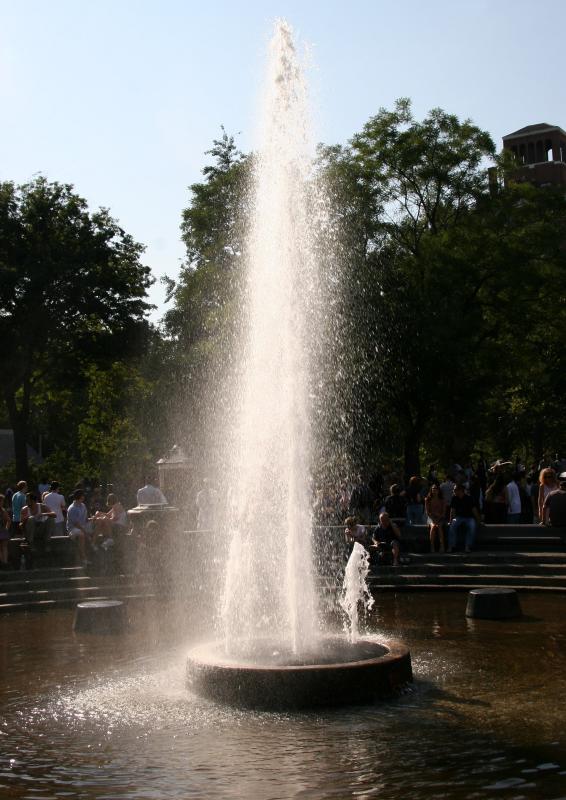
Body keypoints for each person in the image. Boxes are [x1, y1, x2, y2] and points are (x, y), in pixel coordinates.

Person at [448, 485, 481, 553]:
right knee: (452, 526)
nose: (453, 491)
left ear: (460, 490)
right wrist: (451, 520)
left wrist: (478, 520)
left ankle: (467, 546)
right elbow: (452, 510)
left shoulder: (469, 498)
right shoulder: (454, 498)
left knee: (472, 527)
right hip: (458, 517)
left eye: (455, 490)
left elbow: (474, 510)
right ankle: (451, 546)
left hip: (469, 517)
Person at [66, 489, 93, 565]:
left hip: (82, 526)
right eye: (83, 495)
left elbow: (85, 519)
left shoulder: (83, 505)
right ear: (81, 496)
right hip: (72, 529)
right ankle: (84, 558)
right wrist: (86, 533)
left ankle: (94, 546)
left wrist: (94, 519)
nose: (84, 497)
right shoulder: (72, 508)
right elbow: (76, 524)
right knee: (81, 534)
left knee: (98, 523)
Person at [425, 484, 446, 553]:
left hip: (440, 517)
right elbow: (427, 512)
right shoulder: (428, 499)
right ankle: (432, 546)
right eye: (433, 489)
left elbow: (444, 512)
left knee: (439, 526)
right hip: (431, 517)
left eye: (436, 489)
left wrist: (439, 517)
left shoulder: (442, 499)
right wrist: (433, 518)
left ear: (439, 490)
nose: (434, 490)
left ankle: (442, 545)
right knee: (433, 526)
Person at [0, 494, 11, 568]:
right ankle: (4, 562)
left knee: (3, 547)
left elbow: (9, 520)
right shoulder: (3, 510)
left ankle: (3, 562)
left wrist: (6, 528)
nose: (2, 503)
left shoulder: (3, 511)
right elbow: (9, 521)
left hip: (2, 530)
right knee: (4, 547)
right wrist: (6, 528)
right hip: (3, 530)